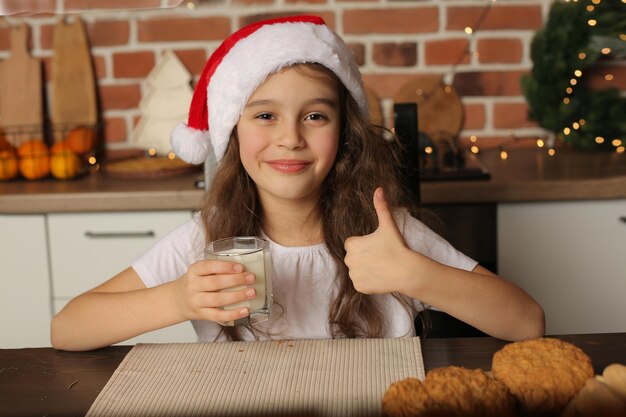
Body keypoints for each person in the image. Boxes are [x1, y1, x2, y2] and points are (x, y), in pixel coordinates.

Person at [51, 15, 544, 351]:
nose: (289, 138)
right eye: (265, 115)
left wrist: (417, 274)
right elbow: (67, 328)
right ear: (232, 132)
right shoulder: (205, 241)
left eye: (314, 115)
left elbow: (527, 322)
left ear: (343, 133)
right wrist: (178, 299)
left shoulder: (387, 236)